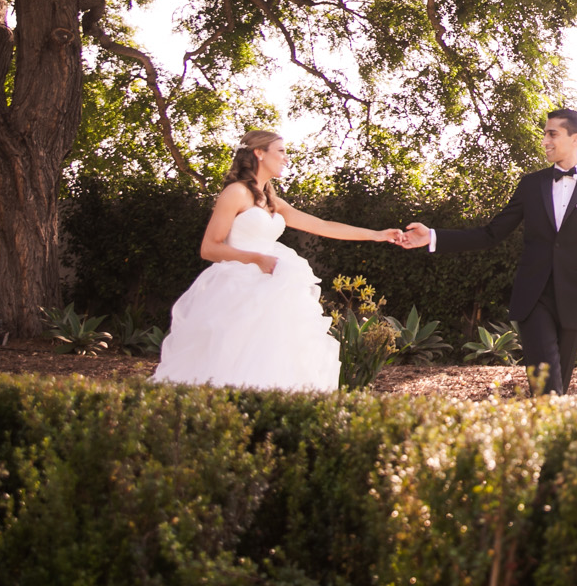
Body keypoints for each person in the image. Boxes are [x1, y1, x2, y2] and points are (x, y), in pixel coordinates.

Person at [152, 129, 405, 392]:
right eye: (281, 151)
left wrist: (377, 235)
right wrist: (255, 259)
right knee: (230, 357)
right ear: (259, 153)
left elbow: (323, 225)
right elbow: (209, 248)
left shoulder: (272, 201)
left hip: (274, 288)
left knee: (275, 356)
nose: (286, 158)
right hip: (237, 290)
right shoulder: (236, 193)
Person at [406, 108, 577, 395]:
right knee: (547, 383)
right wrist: (433, 237)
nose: (545, 140)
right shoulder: (531, 185)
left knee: (556, 385)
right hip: (532, 297)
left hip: (574, 298)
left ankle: (545, 436)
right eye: (544, 133)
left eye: (552, 134)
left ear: (576, 138)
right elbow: (491, 233)